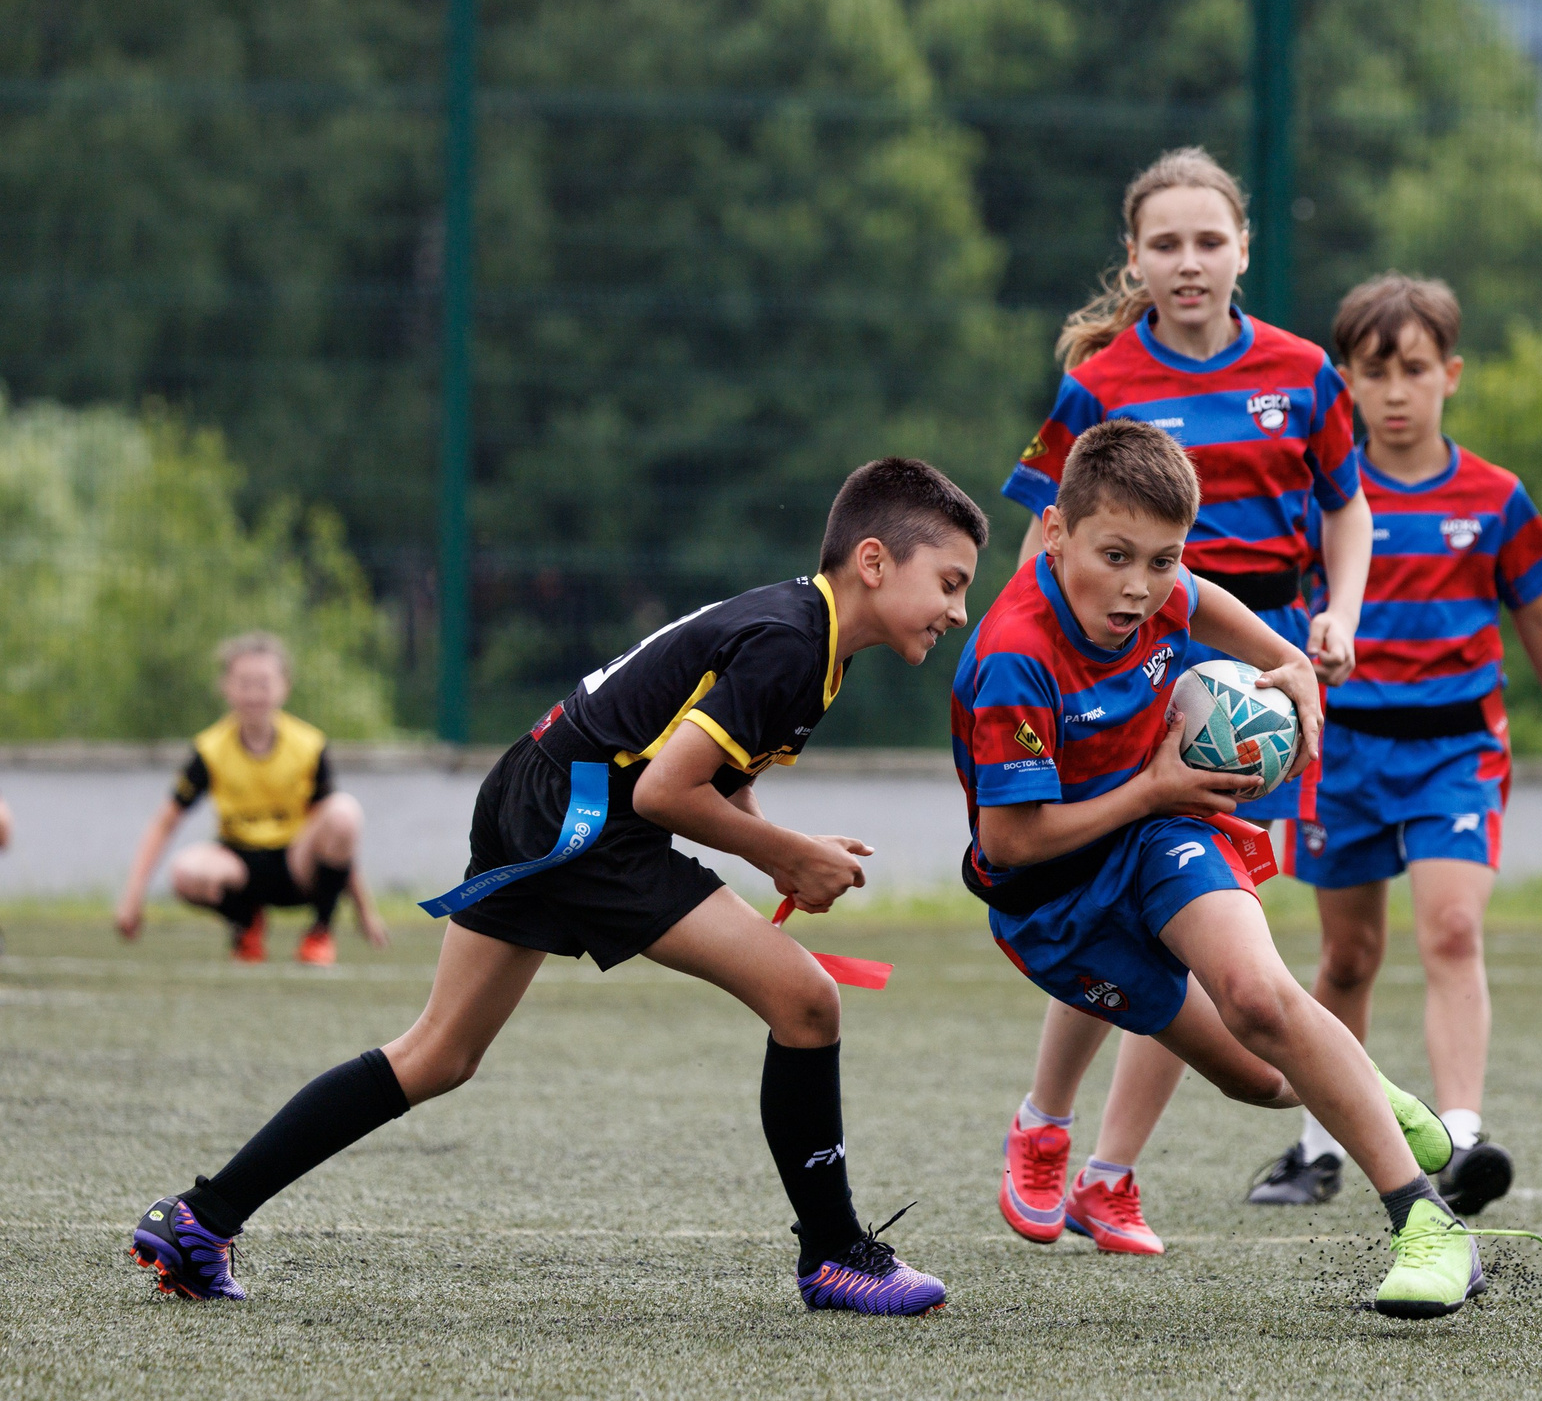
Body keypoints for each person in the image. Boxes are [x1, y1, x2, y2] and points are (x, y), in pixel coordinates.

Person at [128, 459, 987, 1316]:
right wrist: (785, 857)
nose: (957, 610)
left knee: (438, 1055)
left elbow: (712, 766)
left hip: (537, 787)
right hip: (584, 818)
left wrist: (781, 844)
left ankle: (200, 1219)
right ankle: (834, 1256)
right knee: (807, 1002)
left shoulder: (804, 631)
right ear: (873, 562)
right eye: (948, 584)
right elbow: (664, 792)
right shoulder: (795, 644)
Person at [954, 418, 1542, 1318]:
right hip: (1055, 896)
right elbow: (1011, 845)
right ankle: (1378, 1093)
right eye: (1117, 557)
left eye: (1162, 560)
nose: (1141, 588)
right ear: (1055, 532)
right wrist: (1151, 788)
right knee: (1258, 1077)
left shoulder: (1163, 591)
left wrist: (1289, 664)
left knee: (1262, 1000)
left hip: (1162, 839)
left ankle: (1429, 1229)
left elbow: (1205, 599)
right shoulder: (1014, 658)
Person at [993, 147, 1371, 1257]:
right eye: (1166, 243)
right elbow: (1044, 536)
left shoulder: (1302, 373)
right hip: (1130, 657)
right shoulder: (1103, 382)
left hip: (1258, 674)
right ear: (1134, 258)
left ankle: (1105, 1168)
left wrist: (1333, 619)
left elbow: (1347, 508)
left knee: (1194, 920)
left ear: (1244, 248)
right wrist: (1032, 657)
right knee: (1135, 902)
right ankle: (1050, 1128)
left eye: (1210, 241)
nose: (1190, 261)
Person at [1242, 274, 1542, 1212]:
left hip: (1458, 750)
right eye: (1377, 372)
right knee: (1349, 959)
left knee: (1452, 931)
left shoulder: (1494, 497)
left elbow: (1541, 621)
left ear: (1451, 374)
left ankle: (1458, 1139)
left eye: (1416, 369)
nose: (1398, 390)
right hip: (1344, 752)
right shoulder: (1326, 504)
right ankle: (1320, 1143)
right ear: (1343, 383)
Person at [114, 633, 388, 966]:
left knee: (345, 811)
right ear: (226, 687)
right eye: (244, 683)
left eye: (264, 683)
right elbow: (165, 821)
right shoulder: (210, 750)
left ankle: (320, 932)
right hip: (240, 865)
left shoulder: (309, 746)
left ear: (284, 686)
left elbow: (340, 835)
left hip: (296, 866)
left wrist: (365, 911)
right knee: (185, 871)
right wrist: (133, 896)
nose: (254, 693)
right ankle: (246, 924)